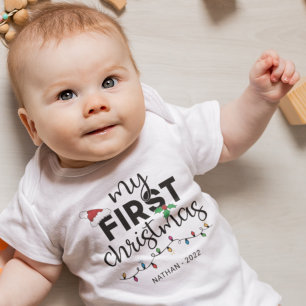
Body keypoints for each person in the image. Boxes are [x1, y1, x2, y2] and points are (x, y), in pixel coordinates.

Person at [0, 2, 299, 305]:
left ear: (140, 86)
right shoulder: (41, 196)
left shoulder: (160, 127)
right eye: (66, 94)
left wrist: (259, 98)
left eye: (109, 82)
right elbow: (32, 268)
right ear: (32, 126)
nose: (96, 103)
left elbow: (227, 138)